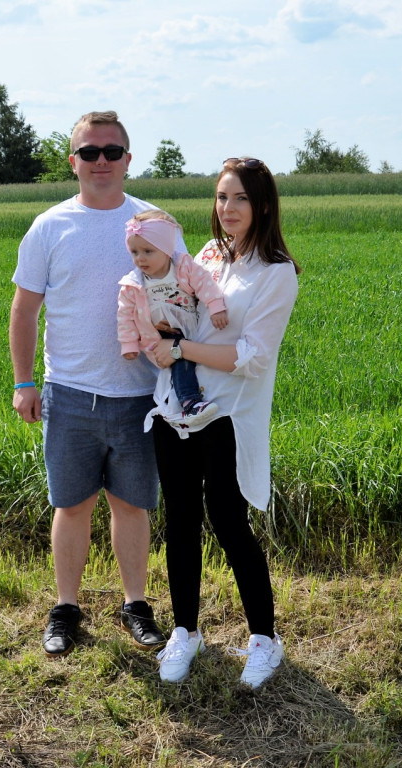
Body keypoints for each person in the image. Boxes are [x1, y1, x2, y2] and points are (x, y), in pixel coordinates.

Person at [9, 111, 182, 657]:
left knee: (132, 505)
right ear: (73, 162)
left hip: (140, 396)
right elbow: (24, 310)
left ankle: (136, 605)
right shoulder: (49, 227)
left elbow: (188, 295)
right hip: (68, 394)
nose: (100, 161)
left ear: (128, 159)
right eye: (89, 152)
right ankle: (66, 608)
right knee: (72, 505)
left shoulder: (155, 225)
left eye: (111, 152)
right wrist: (24, 381)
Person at [147, 157, 300, 689]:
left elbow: (253, 357)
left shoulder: (276, 272)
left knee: (229, 522)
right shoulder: (208, 256)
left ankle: (264, 639)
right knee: (180, 521)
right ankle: (185, 631)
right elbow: (182, 309)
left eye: (239, 198)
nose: (227, 208)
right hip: (176, 409)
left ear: (263, 206)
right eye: (220, 197)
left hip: (227, 415)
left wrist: (181, 348)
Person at [117, 209, 227, 429]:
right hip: (162, 334)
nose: (140, 258)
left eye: (148, 251)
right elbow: (125, 316)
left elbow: (204, 283)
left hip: (191, 325)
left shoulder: (182, 267)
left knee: (195, 364)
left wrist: (216, 306)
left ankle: (189, 402)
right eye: (134, 252)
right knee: (180, 360)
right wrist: (128, 343)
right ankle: (190, 403)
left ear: (167, 249)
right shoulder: (132, 284)